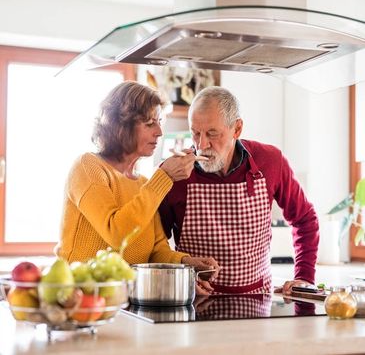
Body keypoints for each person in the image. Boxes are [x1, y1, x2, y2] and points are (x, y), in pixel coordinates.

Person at [56, 81, 219, 294]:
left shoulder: (143, 183)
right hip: (80, 300)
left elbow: (157, 251)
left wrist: (188, 264)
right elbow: (117, 233)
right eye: (150, 123)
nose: (159, 132)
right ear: (120, 125)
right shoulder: (88, 167)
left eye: (159, 121)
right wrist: (165, 177)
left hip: (127, 301)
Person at [159, 86, 319, 296]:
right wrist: (180, 276)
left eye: (212, 133)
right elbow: (156, 244)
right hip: (194, 303)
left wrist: (304, 276)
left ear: (237, 129)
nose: (201, 144)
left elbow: (305, 219)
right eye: (195, 133)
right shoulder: (175, 174)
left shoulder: (270, 161)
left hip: (257, 301)